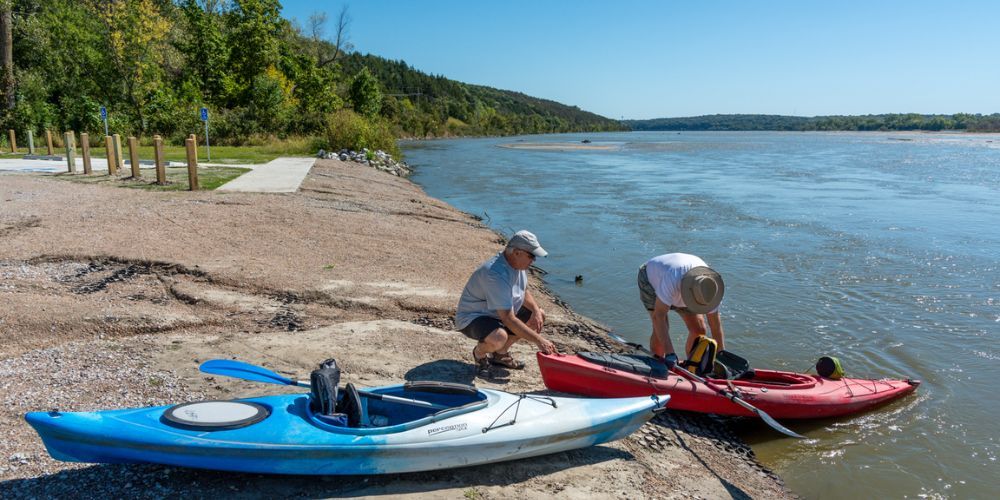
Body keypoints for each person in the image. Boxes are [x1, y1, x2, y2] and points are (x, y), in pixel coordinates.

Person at [456, 230, 557, 378]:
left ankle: (500, 355)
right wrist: (539, 341)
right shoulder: (495, 274)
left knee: (539, 315)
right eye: (531, 256)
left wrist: (535, 310)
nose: (533, 260)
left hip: (496, 314)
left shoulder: (517, 265)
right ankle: (479, 354)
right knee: (498, 337)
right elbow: (508, 319)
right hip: (473, 317)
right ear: (517, 252)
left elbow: (522, 291)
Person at [637, 253, 725, 368]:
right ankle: (657, 365)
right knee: (662, 327)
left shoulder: (710, 289)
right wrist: (670, 353)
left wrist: (721, 357)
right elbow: (658, 317)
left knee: (699, 329)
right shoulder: (672, 278)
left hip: (689, 286)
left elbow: (715, 326)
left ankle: (691, 366)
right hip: (651, 280)